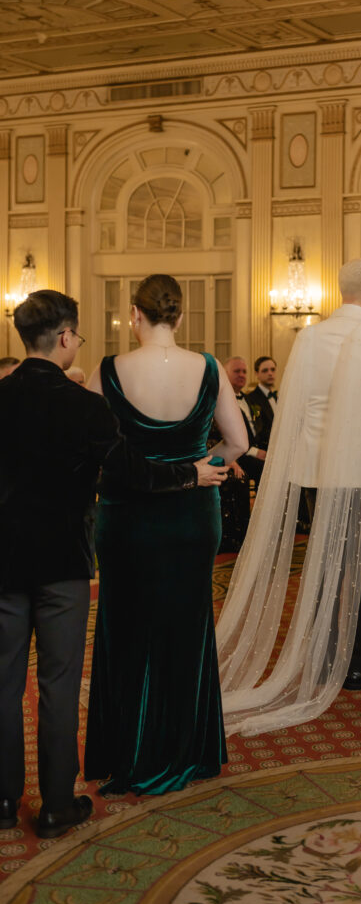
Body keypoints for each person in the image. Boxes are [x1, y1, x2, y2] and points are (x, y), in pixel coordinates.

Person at [0, 290, 226, 838]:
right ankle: (56, 805)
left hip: (2, 563)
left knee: (3, 685)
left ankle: (3, 805)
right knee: (57, 683)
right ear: (63, 338)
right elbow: (133, 472)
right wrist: (189, 476)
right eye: (75, 336)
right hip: (64, 565)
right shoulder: (85, 406)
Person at [215, 259, 361, 737]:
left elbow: (295, 401)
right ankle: (359, 662)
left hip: (319, 467)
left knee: (329, 555)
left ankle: (325, 651)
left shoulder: (308, 338)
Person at [84, 274, 247, 796]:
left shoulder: (107, 371)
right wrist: (203, 466)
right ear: (180, 315)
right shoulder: (208, 367)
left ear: (135, 315)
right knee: (186, 628)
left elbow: (91, 448)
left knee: (125, 627)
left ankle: (128, 755)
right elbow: (239, 442)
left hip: (126, 515)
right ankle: (185, 751)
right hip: (191, 515)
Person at [225, 356, 266, 485]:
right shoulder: (222, 401)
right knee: (268, 470)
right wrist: (255, 451)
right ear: (225, 374)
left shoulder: (249, 399)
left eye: (244, 371)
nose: (242, 375)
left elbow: (257, 427)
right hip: (238, 455)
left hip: (256, 449)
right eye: (237, 371)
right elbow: (227, 436)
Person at [246, 355, 277, 450]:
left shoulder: (277, 398)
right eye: (265, 370)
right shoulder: (251, 399)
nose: (270, 373)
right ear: (256, 374)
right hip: (264, 450)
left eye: (273, 370)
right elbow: (257, 428)